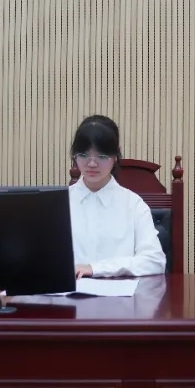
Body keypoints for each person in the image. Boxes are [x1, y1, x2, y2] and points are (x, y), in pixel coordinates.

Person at [69, 115, 166, 278]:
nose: (91, 164)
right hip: (69, 293)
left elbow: (154, 261)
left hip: (122, 292)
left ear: (116, 155)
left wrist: (95, 268)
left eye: (101, 156)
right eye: (84, 155)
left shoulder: (133, 204)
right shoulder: (58, 203)